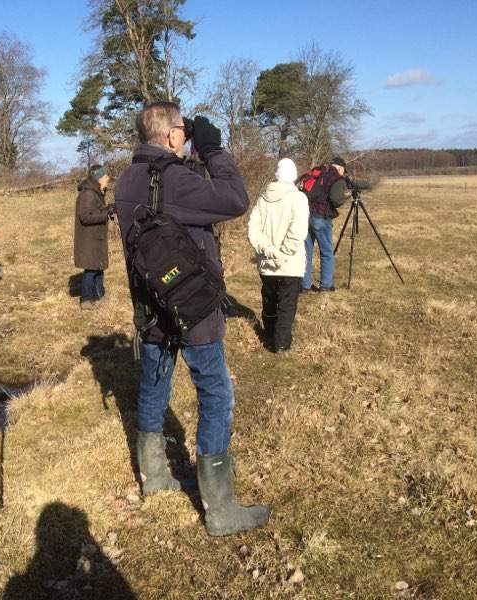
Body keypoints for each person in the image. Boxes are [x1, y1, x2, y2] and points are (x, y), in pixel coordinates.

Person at [114, 102, 270, 537]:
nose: (186, 135)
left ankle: (155, 477)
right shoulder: (177, 179)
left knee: (153, 385)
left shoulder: (126, 179)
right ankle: (220, 509)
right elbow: (236, 198)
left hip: (151, 307)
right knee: (215, 393)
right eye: (183, 129)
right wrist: (214, 149)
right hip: (195, 308)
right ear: (169, 136)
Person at [248, 158, 309, 352]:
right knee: (286, 304)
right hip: (290, 264)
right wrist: (283, 254)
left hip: (267, 263)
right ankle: (281, 343)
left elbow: (253, 230)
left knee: (270, 299)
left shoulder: (262, 198)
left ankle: (269, 335)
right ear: (293, 176)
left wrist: (269, 251)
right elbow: (298, 232)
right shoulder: (299, 198)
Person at [301, 156, 348, 292]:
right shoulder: (335, 178)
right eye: (343, 170)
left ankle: (305, 285)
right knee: (326, 252)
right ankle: (326, 285)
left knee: (306, 251)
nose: (343, 173)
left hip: (306, 215)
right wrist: (344, 197)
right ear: (339, 167)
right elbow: (336, 200)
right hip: (321, 217)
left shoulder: (318, 172)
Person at [73, 164, 113, 310]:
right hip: (89, 239)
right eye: (105, 176)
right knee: (91, 269)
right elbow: (85, 217)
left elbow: (96, 210)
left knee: (98, 267)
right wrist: (106, 213)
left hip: (95, 237)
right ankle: (86, 299)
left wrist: (109, 208)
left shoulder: (96, 192)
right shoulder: (88, 193)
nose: (108, 178)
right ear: (98, 178)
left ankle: (99, 295)